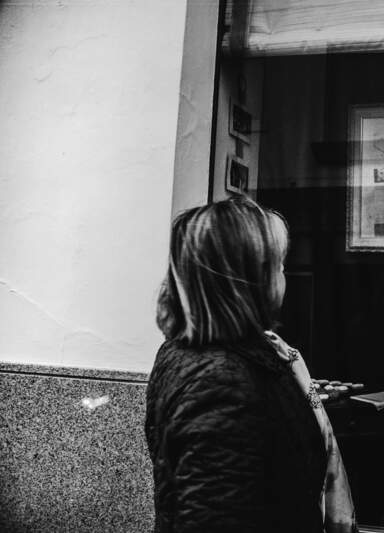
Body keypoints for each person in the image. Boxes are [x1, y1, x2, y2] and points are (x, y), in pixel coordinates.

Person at [146, 196, 357, 532]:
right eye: (278, 265)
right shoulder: (220, 383)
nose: (284, 275)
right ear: (248, 279)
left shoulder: (222, 357)